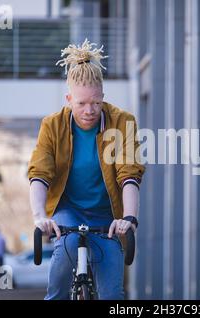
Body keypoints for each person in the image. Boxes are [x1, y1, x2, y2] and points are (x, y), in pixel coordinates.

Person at [28, 39, 145, 300]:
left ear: (103, 96)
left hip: (108, 215)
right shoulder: (52, 126)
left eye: (95, 102)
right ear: (69, 99)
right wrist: (39, 217)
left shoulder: (123, 122)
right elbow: (39, 174)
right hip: (69, 212)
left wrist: (129, 218)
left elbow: (130, 175)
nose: (89, 110)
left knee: (112, 294)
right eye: (81, 103)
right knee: (62, 267)